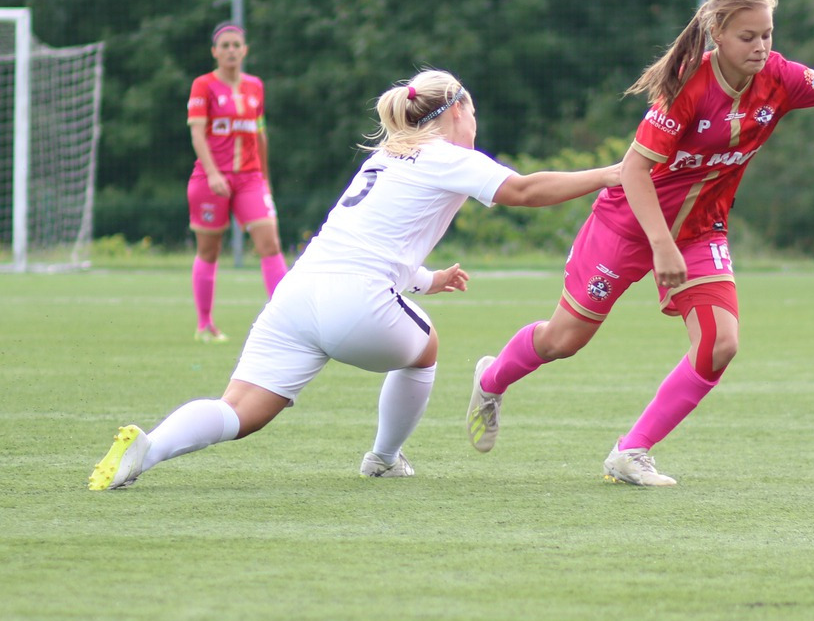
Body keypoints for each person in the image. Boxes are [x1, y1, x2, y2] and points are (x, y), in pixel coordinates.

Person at [465, 0, 814, 486]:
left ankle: (631, 452)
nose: (761, 46)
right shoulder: (687, 88)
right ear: (716, 33)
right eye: (748, 36)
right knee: (563, 340)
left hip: (701, 231)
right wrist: (661, 246)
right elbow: (634, 170)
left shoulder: (780, 77)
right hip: (628, 225)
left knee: (721, 343)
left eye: (767, 34)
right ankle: (491, 378)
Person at [89, 69, 620, 491]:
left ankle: (148, 449)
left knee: (238, 409)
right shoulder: (446, 156)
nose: (475, 124)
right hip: (355, 302)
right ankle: (384, 458)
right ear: (457, 110)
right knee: (426, 349)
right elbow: (523, 191)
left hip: (297, 295)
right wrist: (608, 174)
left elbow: (370, 240)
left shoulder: (386, 156)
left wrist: (428, 279)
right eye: (473, 112)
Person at [186, 21, 288, 342]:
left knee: (270, 243)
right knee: (209, 250)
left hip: (250, 178)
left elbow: (260, 135)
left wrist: (265, 180)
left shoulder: (255, 86)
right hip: (210, 178)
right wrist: (213, 173)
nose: (231, 50)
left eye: (236, 45)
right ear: (214, 52)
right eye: (224, 45)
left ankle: (287, 318)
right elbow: (197, 134)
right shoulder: (203, 85)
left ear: (245, 51)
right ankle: (205, 324)